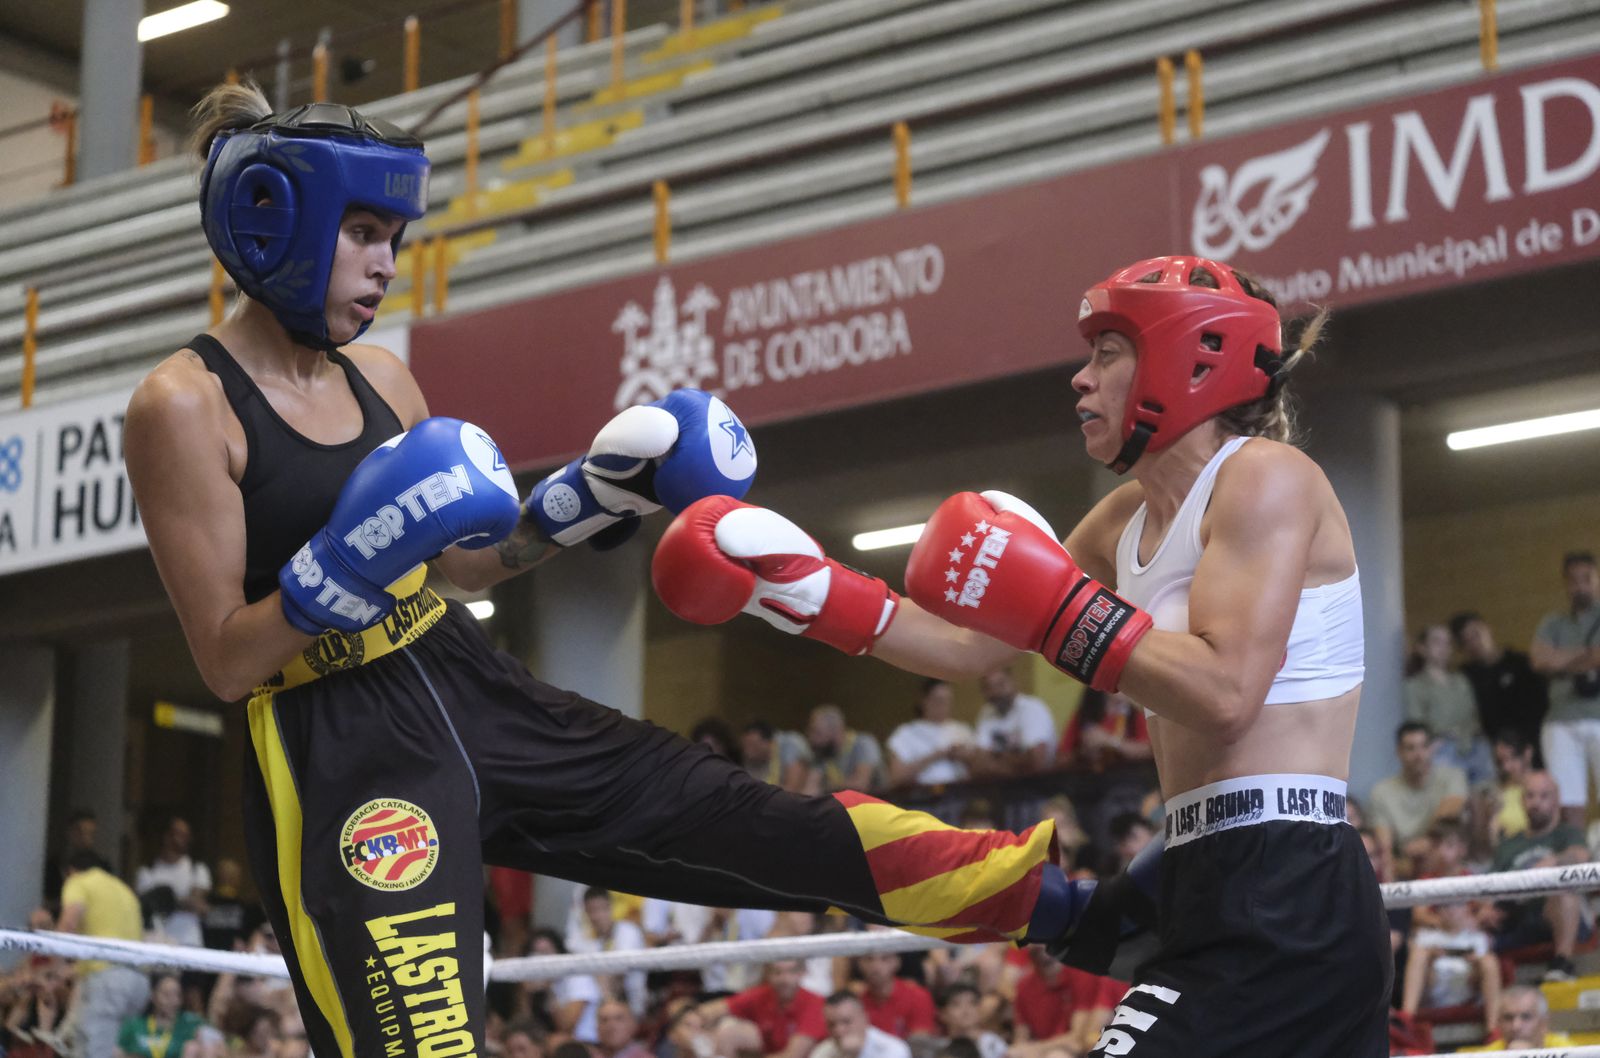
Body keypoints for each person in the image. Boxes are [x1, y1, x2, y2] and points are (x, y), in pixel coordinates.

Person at [122, 84, 1084, 1058]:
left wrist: (592, 495)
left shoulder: (381, 375)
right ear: (277, 224)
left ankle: (1062, 903)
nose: (385, 262)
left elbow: (464, 562)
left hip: (463, 676)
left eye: (393, 236)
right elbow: (225, 660)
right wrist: (344, 561)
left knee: (740, 814)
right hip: (331, 738)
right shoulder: (183, 406)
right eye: (362, 231)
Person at [655, 255, 1391, 1055]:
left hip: (1291, 876)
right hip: (1200, 865)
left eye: (1108, 353)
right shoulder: (1121, 522)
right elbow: (970, 650)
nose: (1080, 379)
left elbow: (1225, 692)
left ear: (1190, 355)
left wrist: (1057, 607)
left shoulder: (1267, 480)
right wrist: (802, 591)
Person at [1487, 770, 1591, 982]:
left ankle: (1562, 963)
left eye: (1544, 796)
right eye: (1530, 795)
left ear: (1556, 800)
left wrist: (1552, 862)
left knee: (1564, 892)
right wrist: (1484, 909)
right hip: (1517, 919)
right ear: (1522, 800)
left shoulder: (1568, 834)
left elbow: (1581, 856)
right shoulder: (1509, 844)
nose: (1536, 802)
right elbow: (1489, 884)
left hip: (1557, 915)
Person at [58, 849, 150, 1058]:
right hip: (138, 982)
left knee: (93, 1051)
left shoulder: (79, 881)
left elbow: (69, 921)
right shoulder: (124, 890)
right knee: (119, 1050)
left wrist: (55, 965)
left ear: (71, 871)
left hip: (108, 980)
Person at [1530, 551, 1600, 827]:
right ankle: (1578, 863)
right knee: (1569, 803)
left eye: (1587, 578)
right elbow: (1539, 660)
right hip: (1560, 721)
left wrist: (1559, 660)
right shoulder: (1553, 622)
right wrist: (1587, 655)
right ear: (1566, 584)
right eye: (1574, 580)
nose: (1580, 586)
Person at [1368, 722, 1468, 865]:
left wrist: (1427, 841)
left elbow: (1449, 813)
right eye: (1410, 748)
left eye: (1424, 746)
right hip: (1405, 863)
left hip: (1445, 860)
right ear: (1399, 752)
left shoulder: (1453, 776)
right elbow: (1385, 849)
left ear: (1432, 748)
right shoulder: (1381, 792)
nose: (1419, 754)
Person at [1405, 625, 1493, 786]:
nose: (1444, 648)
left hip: (1471, 742)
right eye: (1437, 642)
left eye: (1447, 643)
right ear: (1422, 648)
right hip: (1442, 745)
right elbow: (1417, 723)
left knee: (1486, 785)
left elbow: (1474, 716)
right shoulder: (1415, 685)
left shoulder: (1461, 681)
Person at [1451, 612, 1546, 757]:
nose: (1474, 642)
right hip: (1495, 748)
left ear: (1488, 629)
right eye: (1466, 640)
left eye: (1476, 633)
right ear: (1462, 648)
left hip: (1533, 740)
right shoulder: (1465, 676)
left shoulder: (1520, 662)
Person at [135, 815, 213, 949]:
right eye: (179, 834)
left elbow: (196, 904)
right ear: (166, 836)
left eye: (186, 835)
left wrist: (163, 899)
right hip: (156, 943)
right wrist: (180, 902)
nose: (184, 839)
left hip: (189, 942)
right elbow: (142, 906)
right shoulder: (147, 871)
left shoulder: (197, 869)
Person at [885, 679, 974, 788]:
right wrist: (937, 755)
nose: (943, 706)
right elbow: (896, 777)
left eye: (947, 701)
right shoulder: (905, 733)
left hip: (960, 793)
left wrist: (965, 756)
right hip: (920, 796)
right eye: (938, 701)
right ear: (924, 701)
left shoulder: (962, 730)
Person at [116, 973, 209, 1058]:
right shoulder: (134, 1024)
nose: (174, 1001)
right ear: (153, 995)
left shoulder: (190, 1023)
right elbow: (117, 1053)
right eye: (167, 995)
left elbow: (215, 1044)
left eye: (178, 995)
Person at [1058, 690, 1151, 773]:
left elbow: (1147, 752)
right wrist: (1083, 751)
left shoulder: (1135, 716)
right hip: (1087, 777)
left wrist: (1109, 741)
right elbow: (1062, 758)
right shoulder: (1084, 715)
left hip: (1124, 777)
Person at [1459, 985, 1574, 1051]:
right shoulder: (1488, 1054)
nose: (1516, 1026)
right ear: (1498, 1023)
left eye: (1526, 1017)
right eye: (1508, 1018)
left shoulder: (1566, 1051)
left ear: (1543, 1023)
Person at [803, 705, 885, 794]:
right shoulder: (822, 753)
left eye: (818, 733)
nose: (811, 738)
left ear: (836, 731)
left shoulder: (863, 744)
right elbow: (809, 791)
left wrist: (825, 788)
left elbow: (860, 785)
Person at [812, 992, 910, 1058]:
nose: (839, 1030)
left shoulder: (893, 1049)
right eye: (831, 1024)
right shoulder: (823, 1052)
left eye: (846, 1021)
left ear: (864, 1018)